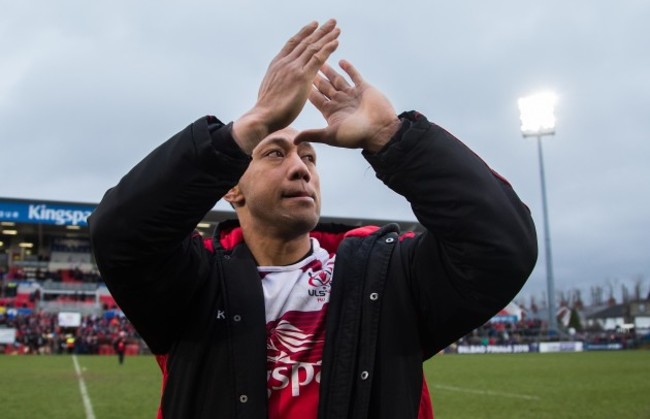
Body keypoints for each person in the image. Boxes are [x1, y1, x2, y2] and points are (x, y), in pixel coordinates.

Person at [89, 19, 537, 419]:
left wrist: (390, 138)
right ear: (232, 188)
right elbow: (119, 234)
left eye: (309, 157)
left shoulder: (388, 278)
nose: (301, 167)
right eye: (275, 153)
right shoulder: (195, 284)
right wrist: (246, 129)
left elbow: (502, 247)